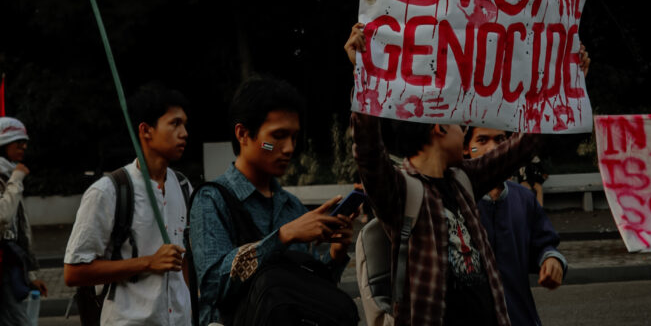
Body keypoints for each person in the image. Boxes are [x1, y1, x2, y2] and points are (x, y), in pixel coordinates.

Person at [345, 23, 540, 326]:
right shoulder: (401, 190)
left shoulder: (463, 179)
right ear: (438, 127)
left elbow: (522, 147)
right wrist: (365, 74)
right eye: (457, 122)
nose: (464, 128)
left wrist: (565, 80)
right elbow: (368, 153)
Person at [189, 74, 355, 326]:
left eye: (294, 137)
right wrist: (284, 236)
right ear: (243, 134)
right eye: (277, 137)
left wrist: (335, 254)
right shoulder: (212, 199)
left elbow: (305, 295)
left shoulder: (292, 206)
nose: (288, 148)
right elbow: (212, 287)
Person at [64, 85, 191, 326]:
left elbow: (183, 260)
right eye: (174, 124)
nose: (184, 132)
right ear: (146, 130)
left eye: (185, 124)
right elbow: (74, 272)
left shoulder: (184, 188)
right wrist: (148, 262)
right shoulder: (108, 191)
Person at [463, 126, 566, 326]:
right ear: (466, 148)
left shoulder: (525, 198)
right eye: (482, 140)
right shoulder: (457, 200)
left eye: (500, 139)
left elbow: (544, 243)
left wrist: (551, 259)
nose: (493, 148)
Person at [0, 117, 48, 326]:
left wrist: (29, 274)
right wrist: (16, 180)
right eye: (18, 142)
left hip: (8, 270)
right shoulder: (11, 179)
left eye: (25, 142)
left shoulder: (8, 175)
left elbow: (20, 232)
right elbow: (2, 217)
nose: (24, 147)